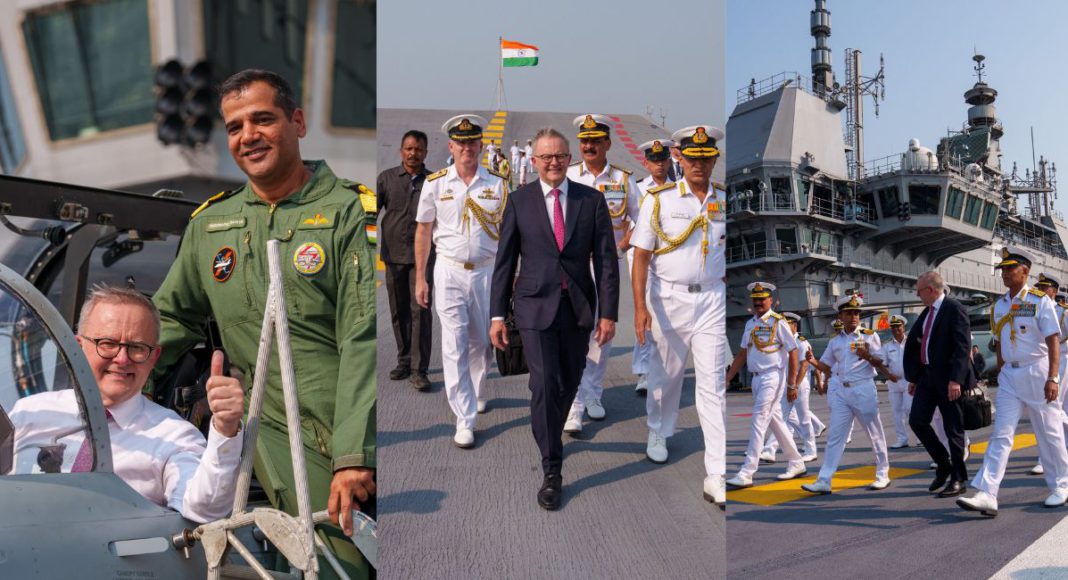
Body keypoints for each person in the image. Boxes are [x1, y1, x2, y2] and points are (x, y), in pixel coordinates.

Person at [151, 69, 376, 578]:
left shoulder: (350, 212)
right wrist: (104, 379)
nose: (247, 136)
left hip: (345, 429)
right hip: (268, 431)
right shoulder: (210, 225)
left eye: (262, 119)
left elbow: (364, 336)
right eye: (234, 127)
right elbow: (167, 320)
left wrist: (354, 453)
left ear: (297, 122)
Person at [11, 287, 244, 523]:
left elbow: (203, 509)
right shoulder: (28, 413)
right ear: (78, 347)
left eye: (137, 348)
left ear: (153, 357)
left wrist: (225, 429)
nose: (122, 359)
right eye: (108, 343)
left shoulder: (173, 436)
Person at [489, 127, 618, 510]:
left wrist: (608, 313)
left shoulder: (591, 201)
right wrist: (498, 315)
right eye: (546, 156)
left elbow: (607, 262)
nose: (553, 162)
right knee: (544, 384)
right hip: (532, 305)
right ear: (534, 161)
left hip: (578, 307)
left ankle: (549, 431)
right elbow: (505, 262)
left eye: (560, 155)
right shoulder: (519, 201)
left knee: (569, 381)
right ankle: (552, 468)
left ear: (569, 158)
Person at [631, 124, 728, 506]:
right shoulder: (659, 199)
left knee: (712, 386)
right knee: (666, 376)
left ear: (715, 159)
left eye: (706, 158)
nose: (699, 165)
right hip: (669, 299)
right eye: (692, 158)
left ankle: (716, 472)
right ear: (680, 159)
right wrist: (639, 307)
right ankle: (658, 429)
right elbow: (640, 256)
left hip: (712, 301)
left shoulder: (724, 200)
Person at [414, 114, 508, 449]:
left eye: (472, 142)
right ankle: (464, 417)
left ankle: (478, 391)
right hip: (450, 269)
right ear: (451, 146)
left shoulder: (497, 184)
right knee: (454, 343)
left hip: (487, 271)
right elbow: (424, 230)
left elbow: (509, 234)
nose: (467, 148)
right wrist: (422, 278)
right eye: (461, 143)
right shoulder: (436, 184)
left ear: (481, 145)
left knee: (482, 342)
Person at [957, 248, 1068, 515]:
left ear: (1025, 271)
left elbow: (1053, 340)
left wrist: (1053, 377)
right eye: (1003, 269)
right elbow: (1000, 344)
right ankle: (987, 492)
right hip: (1010, 376)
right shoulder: (999, 306)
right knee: (1001, 434)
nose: (1005, 274)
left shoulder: (1040, 301)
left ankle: (1061, 485)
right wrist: (1001, 372)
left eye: (1010, 268)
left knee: (1049, 432)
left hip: (1037, 371)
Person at [563, 114, 641, 432]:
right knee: (572, 333)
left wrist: (620, 246)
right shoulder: (567, 177)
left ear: (608, 144)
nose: (589, 145)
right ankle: (574, 403)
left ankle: (593, 395)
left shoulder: (623, 180)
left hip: (606, 268)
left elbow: (643, 220)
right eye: (585, 140)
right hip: (572, 268)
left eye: (596, 140)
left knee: (602, 335)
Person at [802, 293, 892, 494]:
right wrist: (811, 360)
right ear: (840, 317)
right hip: (842, 391)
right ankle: (824, 480)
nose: (853, 316)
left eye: (856, 313)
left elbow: (881, 362)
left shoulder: (869, 336)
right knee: (835, 436)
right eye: (849, 313)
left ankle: (882, 474)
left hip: (863, 388)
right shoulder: (836, 342)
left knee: (874, 433)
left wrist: (867, 355)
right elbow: (826, 366)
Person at [725, 282, 807, 488]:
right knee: (775, 421)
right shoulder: (750, 324)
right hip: (756, 378)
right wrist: (728, 377)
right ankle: (796, 462)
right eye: (756, 299)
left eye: (762, 298)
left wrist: (791, 385)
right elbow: (743, 353)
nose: (759, 302)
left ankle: (747, 471)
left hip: (773, 377)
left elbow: (793, 351)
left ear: (771, 300)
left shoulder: (778, 323)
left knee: (759, 419)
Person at [901, 272, 972, 498]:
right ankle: (943, 464)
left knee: (953, 430)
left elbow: (962, 346)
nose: (917, 295)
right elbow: (921, 345)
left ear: (931, 290)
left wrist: (956, 380)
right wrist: (915, 377)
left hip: (949, 379)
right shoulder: (928, 312)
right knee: (917, 421)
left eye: (919, 290)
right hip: (927, 378)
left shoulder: (954, 308)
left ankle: (959, 478)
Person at [377, 130, 433, 390]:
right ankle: (404, 360)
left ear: (425, 152)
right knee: (399, 310)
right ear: (401, 151)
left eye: (419, 149)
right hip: (393, 255)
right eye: (409, 148)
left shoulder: (434, 181)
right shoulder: (386, 178)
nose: (413, 153)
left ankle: (419, 369)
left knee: (420, 311)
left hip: (422, 258)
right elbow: (371, 214)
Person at [629, 139, 675, 395]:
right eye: (654, 160)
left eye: (663, 160)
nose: (659, 164)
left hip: (668, 260)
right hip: (642, 259)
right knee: (644, 312)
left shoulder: (680, 189)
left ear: (669, 161)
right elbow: (628, 222)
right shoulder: (637, 189)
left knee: (666, 316)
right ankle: (644, 371)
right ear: (645, 163)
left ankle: (662, 367)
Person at [762, 312, 819, 462]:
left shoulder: (801, 342)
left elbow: (804, 366)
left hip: (799, 386)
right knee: (781, 417)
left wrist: (794, 386)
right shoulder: (782, 343)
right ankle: (769, 450)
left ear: (794, 326)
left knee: (804, 418)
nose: (785, 328)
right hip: (787, 386)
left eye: (788, 325)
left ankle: (811, 449)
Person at [883, 315, 912, 449]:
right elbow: (882, 364)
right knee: (896, 412)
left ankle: (918, 437)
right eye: (893, 327)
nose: (895, 329)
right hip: (894, 382)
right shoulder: (887, 346)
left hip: (909, 381)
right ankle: (902, 439)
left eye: (898, 326)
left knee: (909, 409)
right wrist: (888, 375)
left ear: (903, 327)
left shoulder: (911, 343)